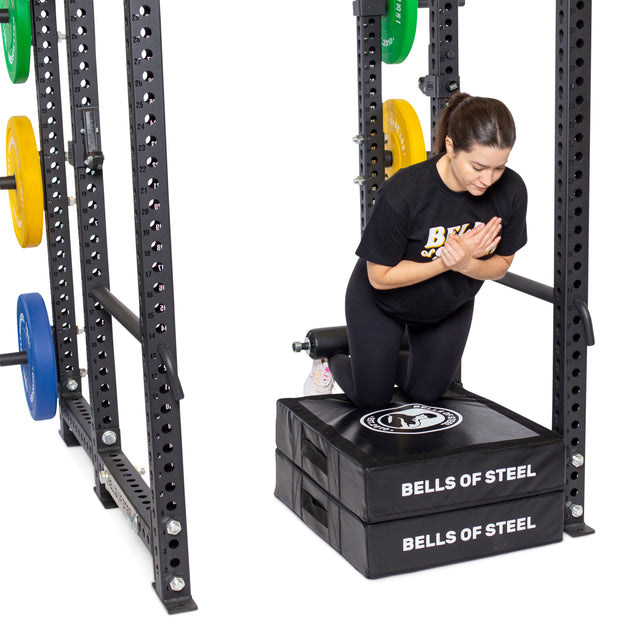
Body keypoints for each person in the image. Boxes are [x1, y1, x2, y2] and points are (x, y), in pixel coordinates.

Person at [304, 92, 527, 409]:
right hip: (382, 302)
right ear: (450, 147)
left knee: (427, 394)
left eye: (499, 168)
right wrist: (448, 261)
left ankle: (383, 359)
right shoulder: (405, 192)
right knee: (373, 398)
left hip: (449, 306)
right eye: (478, 167)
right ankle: (333, 360)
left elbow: (501, 264)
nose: (488, 179)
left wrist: (465, 263)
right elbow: (380, 277)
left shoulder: (512, 191)